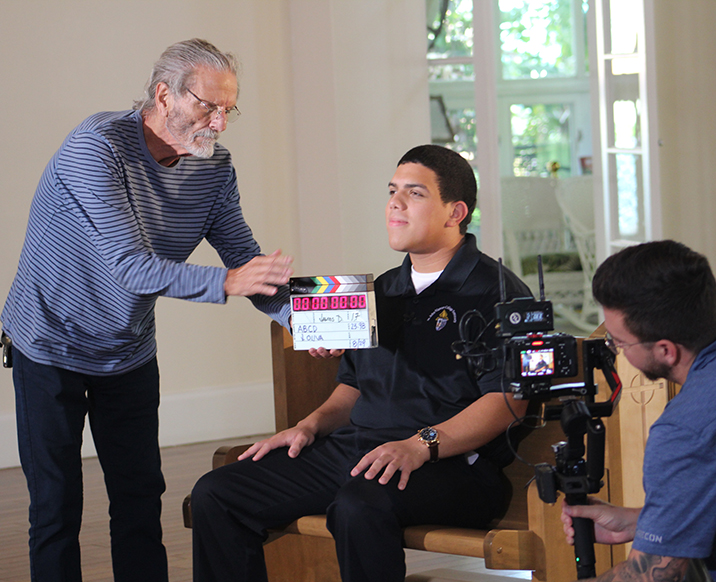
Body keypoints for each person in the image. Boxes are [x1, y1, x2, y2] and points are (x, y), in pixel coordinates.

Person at [1, 39, 294, 582]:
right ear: (164, 94)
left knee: (139, 501)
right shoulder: (96, 146)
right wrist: (230, 282)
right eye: (208, 106)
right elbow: (130, 266)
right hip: (49, 343)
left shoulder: (214, 169)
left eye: (228, 109)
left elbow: (244, 259)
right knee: (56, 505)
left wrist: (298, 320)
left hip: (127, 352)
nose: (220, 123)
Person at [190, 144, 532, 582]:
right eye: (392, 191)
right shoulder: (381, 291)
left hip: (451, 465)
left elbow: (508, 401)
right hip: (360, 451)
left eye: (415, 193)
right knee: (217, 492)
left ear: (455, 212)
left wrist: (419, 444)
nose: (395, 202)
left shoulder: (502, 292)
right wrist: (308, 426)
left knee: (359, 503)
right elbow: (353, 387)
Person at [560, 240, 716, 582]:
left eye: (619, 342)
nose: (617, 352)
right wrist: (641, 522)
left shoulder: (687, 426)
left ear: (666, 350)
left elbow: (657, 576)